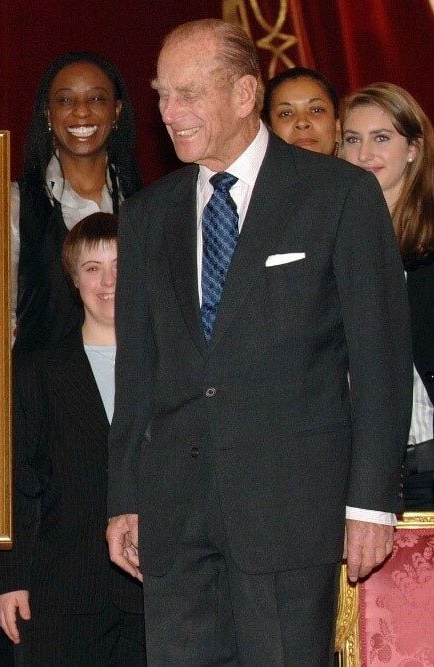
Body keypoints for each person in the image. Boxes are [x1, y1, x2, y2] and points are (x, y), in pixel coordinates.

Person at [106, 19, 411, 664]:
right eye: (161, 95)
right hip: (176, 521)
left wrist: (373, 503)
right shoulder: (148, 216)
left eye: (187, 94)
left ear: (245, 95)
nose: (168, 112)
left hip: (291, 518)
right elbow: (137, 374)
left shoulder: (338, 196)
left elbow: (380, 362)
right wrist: (125, 499)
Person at [0, 212, 144, 665]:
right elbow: (18, 480)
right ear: (74, 279)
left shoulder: (172, 367)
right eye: (93, 268)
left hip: (159, 592)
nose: (109, 281)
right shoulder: (37, 371)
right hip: (60, 591)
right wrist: (11, 576)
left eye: (121, 265)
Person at [341, 82, 434, 509]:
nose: (364, 154)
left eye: (382, 138)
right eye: (352, 140)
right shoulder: (329, 239)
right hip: (355, 461)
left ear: (413, 147)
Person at [12, 52, 143, 353]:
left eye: (97, 99)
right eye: (65, 101)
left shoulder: (147, 207)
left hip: (131, 388)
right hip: (43, 391)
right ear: (48, 113)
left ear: (117, 111)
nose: (82, 112)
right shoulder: (14, 207)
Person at [262, 66, 341, 156]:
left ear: (337, 125)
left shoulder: (355, 170)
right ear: (269, 129)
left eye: (316, 110)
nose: (302, 123)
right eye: (286, 113)